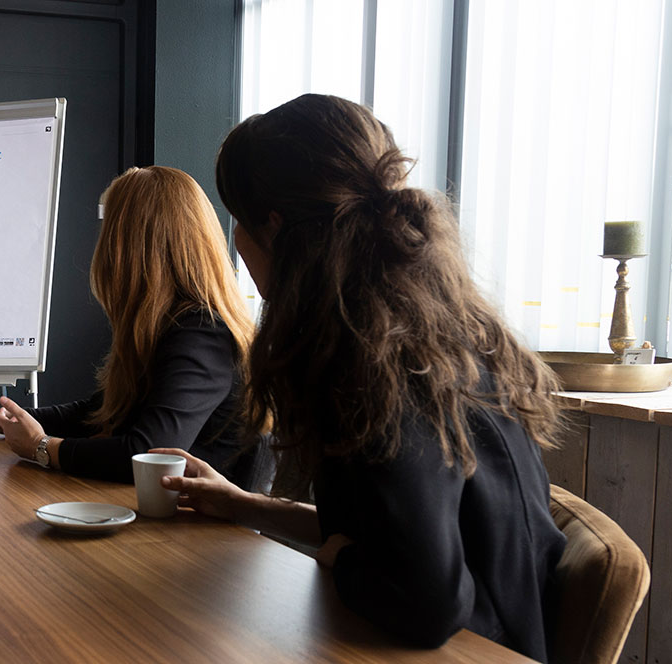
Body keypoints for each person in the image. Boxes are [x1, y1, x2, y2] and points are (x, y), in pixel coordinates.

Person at [157, 94, 566, 661]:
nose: (236, 247)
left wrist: (337, 557)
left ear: (274, 229)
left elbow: (427, 604)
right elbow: (394, 534)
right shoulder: (431, 334)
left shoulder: (375, 368)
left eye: (238, 223)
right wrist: (245, 505)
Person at [0, 166, 257, 485]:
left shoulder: (202, 333)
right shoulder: (167, 323)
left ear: (129, 246)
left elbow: (148, 455)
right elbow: (101, 411)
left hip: (197, 533)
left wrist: (42, 447)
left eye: (109, 230)